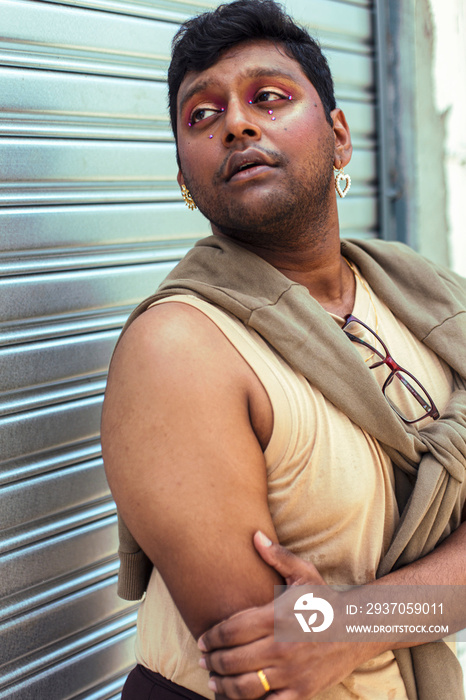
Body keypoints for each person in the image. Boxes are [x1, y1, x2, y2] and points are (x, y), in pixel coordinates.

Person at [100, 1, 466, 699]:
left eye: (269, 98)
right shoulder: (181, 350)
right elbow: (263, 664)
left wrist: (356, 620)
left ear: (339, 136)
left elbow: (321, 634)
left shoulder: (430, 303)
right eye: (201, 116)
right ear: (184, 178)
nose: (236, 123)